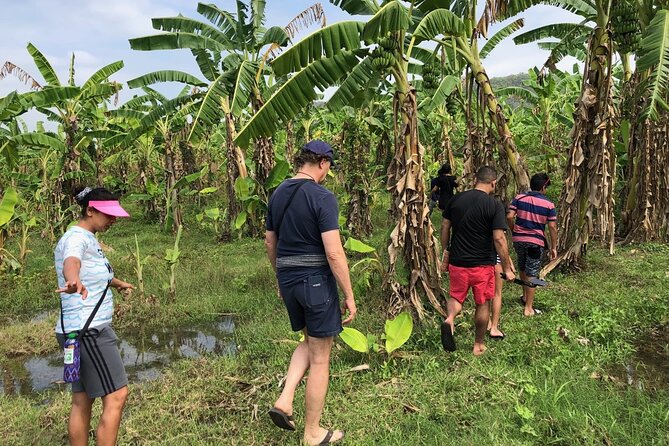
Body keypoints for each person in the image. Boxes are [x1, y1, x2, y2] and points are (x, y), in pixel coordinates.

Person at [265, 140, 357, 446]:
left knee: (309, 340)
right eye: (329, 166)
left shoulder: (277, 194)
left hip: (289, 279)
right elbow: (333, 252)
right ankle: (313, 433)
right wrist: (349, 293)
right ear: (322, 162)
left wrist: (280, 277)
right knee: (320, 358)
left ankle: (285, 398)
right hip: (315, 280)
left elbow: (269, 242)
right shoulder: (322, 196)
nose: (328, 172)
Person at [55, 186, 135, 446]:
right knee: (117, 395)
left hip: (74, 329)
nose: (112, 220)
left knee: (82, 398)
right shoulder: (76, 238)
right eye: (107, 215)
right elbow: (72, 262)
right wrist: (72, 279)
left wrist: (118, 283)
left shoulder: (88, 237)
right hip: (91, 330)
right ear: (89, 210)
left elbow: (96, 272)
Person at [439, 166, 515, 356]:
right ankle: (478, 344)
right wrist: (507, 267)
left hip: (458, 262)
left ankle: (449, 319)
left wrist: (446, 249)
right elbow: (499, 238)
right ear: (493, 183)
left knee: (456, 298)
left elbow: (445, 226)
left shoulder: (456, 199)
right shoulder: (494, 205)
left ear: (475, 179)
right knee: (482, 303)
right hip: (482, 265)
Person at [506, 172, 557, 316]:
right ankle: (528, 308)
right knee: (532, 273)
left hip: (519, 240)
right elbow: (552, 227)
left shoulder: (519, 198)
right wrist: (553, 247)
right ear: (543, 187)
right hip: (535, 242)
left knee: (522, 267)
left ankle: (524, 296)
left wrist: (513, 229)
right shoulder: (548, 204)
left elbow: (509, 216)